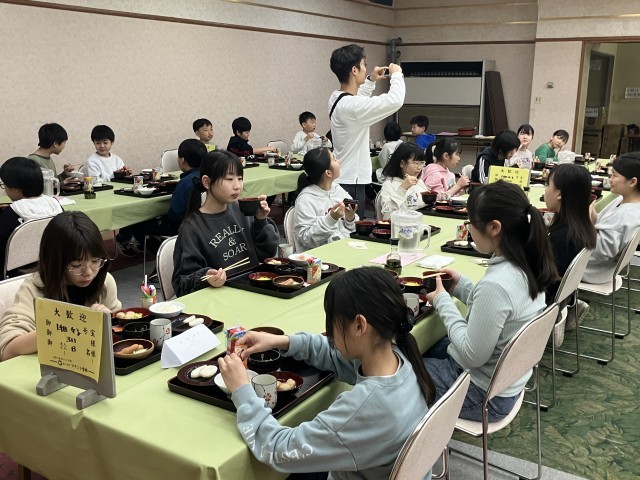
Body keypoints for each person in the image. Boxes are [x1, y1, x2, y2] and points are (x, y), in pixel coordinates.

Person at [217, 267, 436, 480]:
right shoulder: (399, 359)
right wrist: (281, 341)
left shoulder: (363, 409)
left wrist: (242, 389)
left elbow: (277, 449)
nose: (330, 335)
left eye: (332, 323)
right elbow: (334, 354)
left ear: (359, 326)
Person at [424, 180, 558, 421]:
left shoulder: (496, 284)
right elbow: (500, 312)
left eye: (471, 223)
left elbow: (471, 355)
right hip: (505, 383)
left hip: (482, 396)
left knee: (395, 370)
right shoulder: (528, 261)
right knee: (426, 346)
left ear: (494, 227)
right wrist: (462, 286)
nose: (469, 229)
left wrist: (442, 300)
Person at [0, 211, 121, 361]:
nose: (89, 273)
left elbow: (118, 332)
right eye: (76, 265)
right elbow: (8, 350)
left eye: (95, 261)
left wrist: (110, 321)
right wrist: (72, 326)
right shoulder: (34, 289)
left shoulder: (104, 281)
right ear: (55, 262)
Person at [172, 150, 279, 297]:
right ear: (206, 182)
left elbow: (267, 254)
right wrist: (207, 276)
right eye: (229, 179)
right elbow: (182, 282)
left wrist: (261, 221)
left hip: (254, 289)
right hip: (219, 298)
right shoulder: (192, 227)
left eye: (240, 178)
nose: (237, 186)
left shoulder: (242, 210)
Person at [328, 44, 405, 219]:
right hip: (351, 181)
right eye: (364, 64)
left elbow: (357, 99)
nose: (366, 68)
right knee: (352, 229)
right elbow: (395, 101)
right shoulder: (352, 107)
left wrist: (370, 79)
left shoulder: (336, 97)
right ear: (354, 70)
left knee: (346, 228)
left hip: (344, 177)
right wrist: (396, 75)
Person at [115, 139, 208, 257]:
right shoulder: (207, 177)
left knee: (138, 222)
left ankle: (163, 251)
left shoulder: (185, 183)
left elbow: (175, 215)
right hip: (203, 226)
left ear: (182, 160)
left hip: (180, 228)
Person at [543, 164, 596, 341]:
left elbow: (545, 281)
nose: (545, 190)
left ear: (559, 194)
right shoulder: (581, 227)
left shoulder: (563, 237)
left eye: (548, 185)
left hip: (543, 304)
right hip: (560, 297)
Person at [582, 152, 640, 285]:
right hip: (602, 267)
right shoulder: (623, 199)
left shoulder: (626, 215)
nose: (610, 179)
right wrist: (592, 215)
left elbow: (599, 252)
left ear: (632, 182)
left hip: (589, 270)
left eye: (614, 175)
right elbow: (603, 226)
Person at [0, 157, 64, 275]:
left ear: (16, 189)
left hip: (17, 273)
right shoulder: (55, 205)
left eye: (5, 185)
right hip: (54, 267)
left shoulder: (10, 214)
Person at [292, 147, 357, 252]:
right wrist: (331, 219)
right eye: (334, 159)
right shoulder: (306, 200)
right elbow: (306, 239)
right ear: (328, 173)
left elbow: (351, 230)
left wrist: (350, 219)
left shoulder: (338, 190)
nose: (338, 161)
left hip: (342, 249)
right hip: (316, 257)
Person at [379, 143, 431, 219]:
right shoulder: (389, 184)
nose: (419, 167)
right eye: (415, 163)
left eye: (422, 163)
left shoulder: (419, 182)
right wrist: (402, 188)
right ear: (402, 163)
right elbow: (387, 216)